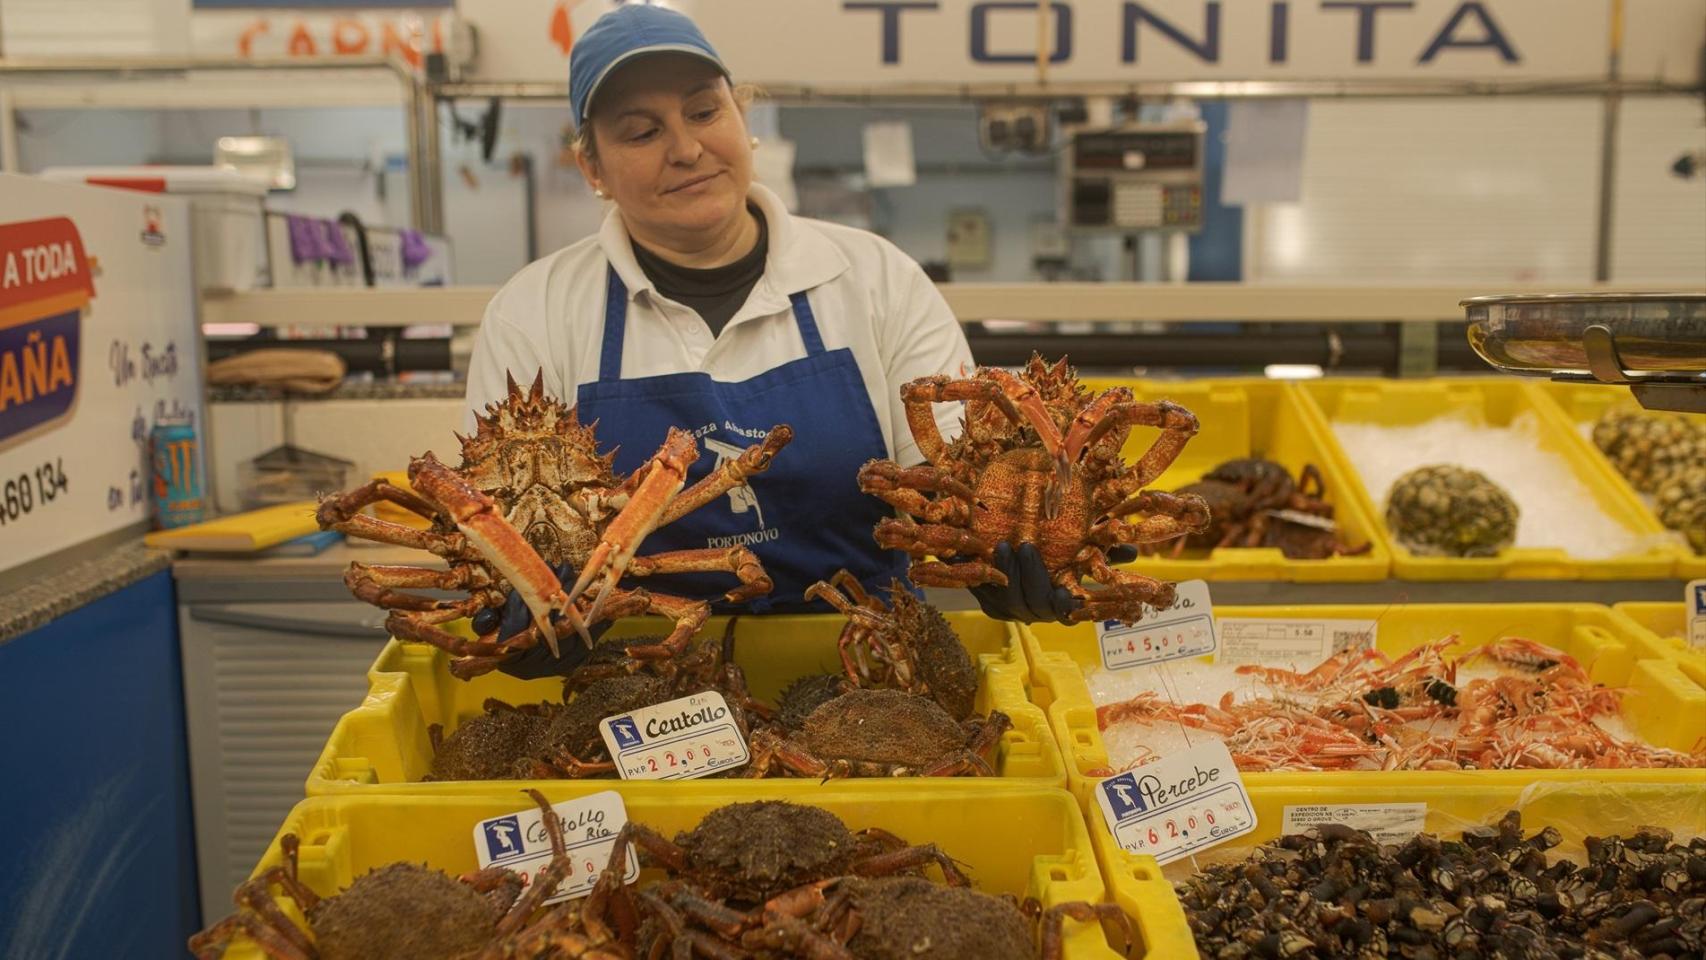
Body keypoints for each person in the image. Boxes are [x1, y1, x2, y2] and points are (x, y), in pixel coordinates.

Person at [463, 5, 1078, 675]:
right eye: (641, 132)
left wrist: (1001, 553)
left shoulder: (878, 282)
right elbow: (493, 535)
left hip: (875, 678)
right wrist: (518, 614)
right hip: (625, 693)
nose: (686, 149)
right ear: (593, 167)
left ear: (743, 116)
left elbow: (958, 487)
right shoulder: (534, 314)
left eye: (704, 113)